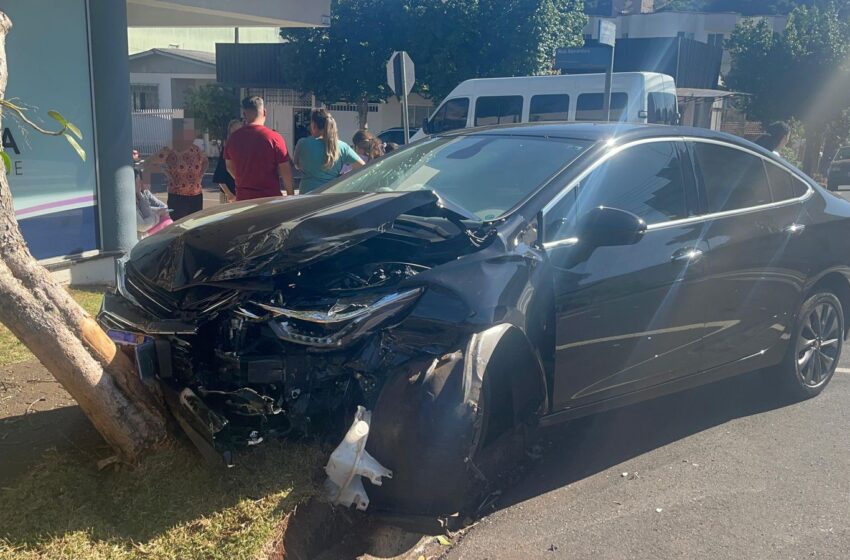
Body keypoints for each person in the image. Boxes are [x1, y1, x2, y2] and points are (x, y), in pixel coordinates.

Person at [224, 96, 295, 200]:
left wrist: (243, 178)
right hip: (269, 200)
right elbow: (286, 173)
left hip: (243, 200)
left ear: (244, 115)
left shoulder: (233, 138)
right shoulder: (275, 138)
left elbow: (229, 166)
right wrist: (290, 197)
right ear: (265, 112)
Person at [143, 118, 208, 221]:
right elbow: (149, 162)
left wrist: (201, 175)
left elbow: (205, 161)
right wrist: (165, 172)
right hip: (178, 197)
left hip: (196, 196)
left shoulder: (196, 149)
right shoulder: (170, 148)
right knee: (179, 228)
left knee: (195, 228)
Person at [293, 109, 364, 193]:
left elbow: (297, 165)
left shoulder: (303, 143)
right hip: (331, 195)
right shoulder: (342, 147)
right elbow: (362, 167)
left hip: (307, 194)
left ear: (313, 125)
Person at [213, 119, 242, 202]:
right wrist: (229, 195)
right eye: (234, 132)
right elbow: (219, 177)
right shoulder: (226, 150)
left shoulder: (245, 151)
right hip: (230, 195)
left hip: (242, 194)